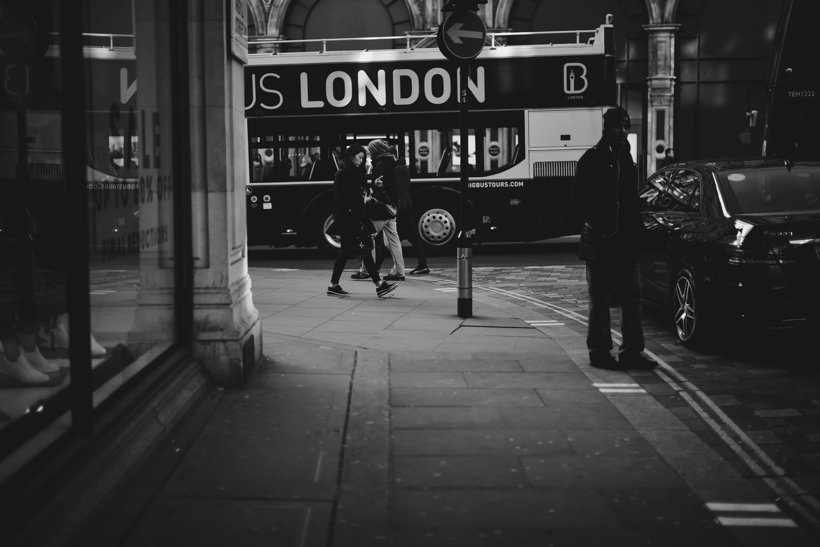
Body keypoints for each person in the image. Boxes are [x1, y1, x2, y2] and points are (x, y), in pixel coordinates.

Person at [568, 106, 655, 371]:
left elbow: (631, 202)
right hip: (601, 244)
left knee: (632, 299)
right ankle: (599, 353)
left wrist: (637, 235)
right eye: (619, 126)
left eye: (627, 126)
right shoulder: (592, 159)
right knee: (601, 301)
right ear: (606, 128)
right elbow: (576, 202)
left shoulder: (627, 159)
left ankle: (632, 352)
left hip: (627, 245)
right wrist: (599, 225)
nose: (624, 131)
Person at [327, 145, 397, 298]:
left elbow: (362, 190)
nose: (361, 161)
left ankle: (334, 285)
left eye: (363, 158)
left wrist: (374, 185)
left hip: (357, 217)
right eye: (359, 158)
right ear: (351, 157)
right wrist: (361, 200)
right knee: (364, 249)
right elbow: (341, 198)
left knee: (349, 252)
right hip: (348, 219)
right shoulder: (342, 175)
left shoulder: (358, 173)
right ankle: (379, 285)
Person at [351, 139, 406, 281]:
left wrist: (373, 194)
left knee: (368, 236)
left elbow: (381, 188)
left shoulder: (380, 165)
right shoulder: (391, 163)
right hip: (392, 207)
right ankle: (400, 272)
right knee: (393, 240)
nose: (368, 152)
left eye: (370, 149)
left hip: (382, 208)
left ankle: (366, 270)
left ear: (375, 150)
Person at [391, 145, 429, 275]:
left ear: (392, 155)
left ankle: (376, 269)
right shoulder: (403, 167)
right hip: (406, 205)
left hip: (402, 206)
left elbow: (399, 189)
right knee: (408, 237)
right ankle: (422, 264)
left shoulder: (397, 169)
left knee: (391, 238)